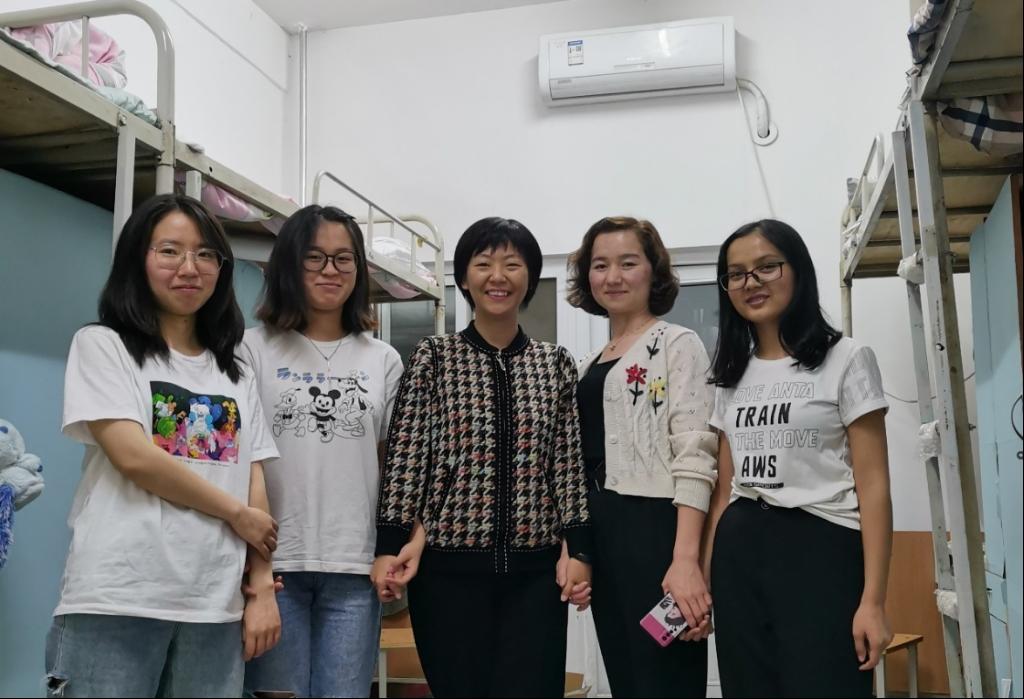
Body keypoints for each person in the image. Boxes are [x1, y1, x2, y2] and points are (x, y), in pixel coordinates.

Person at [47, 194, 280, 698]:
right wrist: (235, 514)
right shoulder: (104, 344)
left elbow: (253, 475)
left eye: (205, 254)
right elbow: (133, 457)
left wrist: (261, 585)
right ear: (138, 259)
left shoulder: (235, 371)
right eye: (169, 251)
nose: (189, 268)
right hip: (117, 597)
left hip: (214, 603)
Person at [371, 217, 593, 698]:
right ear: (464, 278)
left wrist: (579, 550)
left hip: (536, 575)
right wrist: (390, 542)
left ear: (529, 277)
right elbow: (407, 457)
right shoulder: (435, 357)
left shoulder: (554, 363)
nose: (498, 276)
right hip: (446, 574)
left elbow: (568, 462)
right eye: (484, 264)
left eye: (512, 264)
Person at [704, 218, 893, 698]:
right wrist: (704, 578)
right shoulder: (730, 373)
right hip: (740, 550)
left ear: (799, 271)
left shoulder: (846, 357)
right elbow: (725, 490)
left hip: (822, 547)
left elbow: (873, 487)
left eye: (767, 267)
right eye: (736, 274)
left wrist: (873, 601)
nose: (751, 282)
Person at [242, 205, 403, 698]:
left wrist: (390, 549)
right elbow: (242, 460)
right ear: (289, 265)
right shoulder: (250, 349)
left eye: (343, 258)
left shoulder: (383, 359)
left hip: (354, 565)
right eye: (314, 258)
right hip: (274, 564)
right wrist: (254, 566)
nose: (330, 270)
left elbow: (391, 465)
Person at [567, 216, 716, 698]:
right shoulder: (590, 362)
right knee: (627, 676)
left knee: (665, 676)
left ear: (654, 271)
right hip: (605, 533)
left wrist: (686, 560)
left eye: (628, 263)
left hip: (657, 533)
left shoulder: (677, 344)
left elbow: (696, 454)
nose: (613, 276)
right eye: (600, 265)